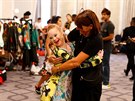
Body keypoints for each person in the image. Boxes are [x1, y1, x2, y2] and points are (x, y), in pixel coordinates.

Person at [50, 9, 103, 101]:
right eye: (77, 26)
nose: (78, 29)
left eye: (81, 27)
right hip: (77, 78)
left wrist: (57, 68)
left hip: (89, 82)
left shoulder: (96, 39)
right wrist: (52, 56)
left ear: (90, 26)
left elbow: (75, 62)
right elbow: (64, 41)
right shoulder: (79, 30)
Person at [40, 24, 74, 101]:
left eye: (55, 35)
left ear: (61, 32)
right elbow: (73, 61)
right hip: (60, 80)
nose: (54, 39)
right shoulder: (56, 51)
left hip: (71, 79)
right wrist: (50, 60)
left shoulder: (71, 45)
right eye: (51, 38)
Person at [100, 8, 115, 89]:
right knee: (101, 64)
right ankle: (102, 80)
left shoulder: (110, 24)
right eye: (102, 14)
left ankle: (106, 82)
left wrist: (101, 39)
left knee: (105, 64)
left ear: (108, 15)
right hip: (101, 47)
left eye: (105, 14)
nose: (103, 16)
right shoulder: (103, 23)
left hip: (107, 47)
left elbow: (111, 36)